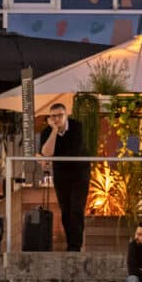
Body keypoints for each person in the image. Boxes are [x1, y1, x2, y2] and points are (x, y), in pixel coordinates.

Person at [41, 102, 89, 253]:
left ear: (66, 115)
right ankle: (71, 244)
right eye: (53, 116)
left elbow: (75, 151)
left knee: (77, 208)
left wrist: (51, 159)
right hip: (61, 173)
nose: (56, 119)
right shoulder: (46, 132)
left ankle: (75, 246)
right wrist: (54, 131)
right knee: (66, 211)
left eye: (60, 116)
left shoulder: (77, 127)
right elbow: (46, 153)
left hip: (79, 172)